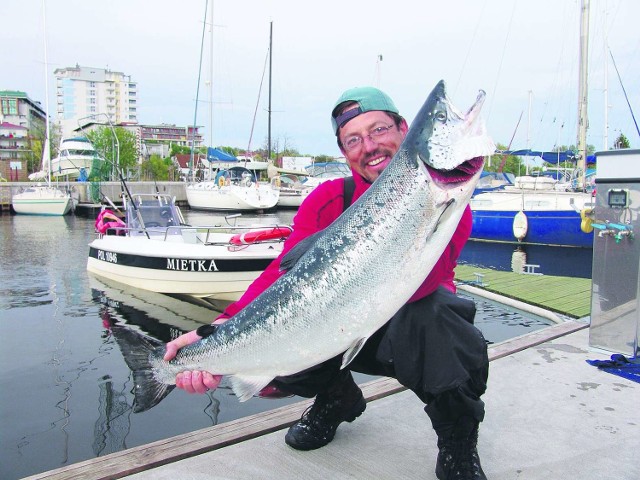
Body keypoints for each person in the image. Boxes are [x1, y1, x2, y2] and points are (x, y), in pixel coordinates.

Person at [164, 86, 489, 480]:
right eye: (354, 139)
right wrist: (216, 330)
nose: (369, 145)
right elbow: (281, 277)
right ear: (343, 151)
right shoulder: (327, 198)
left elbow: (424, 282)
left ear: (405, 130)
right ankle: (337, 400)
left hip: (409, 326)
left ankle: (457, 439)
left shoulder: (446, 200)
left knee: (441, 317)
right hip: (338, 323)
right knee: (282, 334)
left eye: (380, 129)